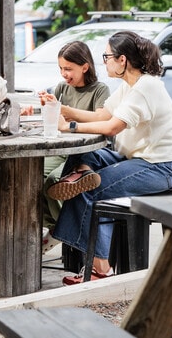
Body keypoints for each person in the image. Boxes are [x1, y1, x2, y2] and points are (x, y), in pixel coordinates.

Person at [46, 31, 172, 285]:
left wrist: (70, 127)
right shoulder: (130, 86)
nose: (105, 62)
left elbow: (111, 127)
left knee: (90, 189)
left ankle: (101, 269)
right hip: (134, 159)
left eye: (107, 56)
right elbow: (101, 115)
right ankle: (82, 173)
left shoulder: (145, 87)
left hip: (159, 167)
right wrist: (62, 109)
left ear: (122, 60)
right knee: (85, 154)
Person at [38, 41, 110, 254]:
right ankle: (58, 229)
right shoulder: (62, 88)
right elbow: (55, 117)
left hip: (85, 154)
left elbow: (101, 120)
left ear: (85, 67)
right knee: (33, 178)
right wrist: (47, 105)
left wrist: (65, 111)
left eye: (68, 69)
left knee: (54, 181)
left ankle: (69, 233)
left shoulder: (100, 90)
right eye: (61, 68)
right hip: (61, 150)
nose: (63, 73)